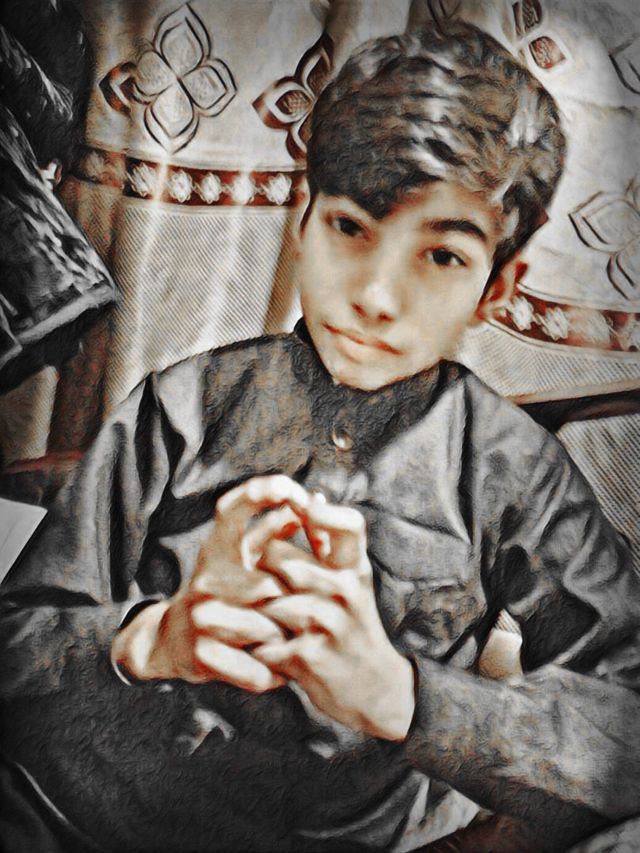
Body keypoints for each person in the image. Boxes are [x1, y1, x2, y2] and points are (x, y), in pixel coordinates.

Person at [1, 20, 639, 853]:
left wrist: (405, 696)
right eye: (351, 228)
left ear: (496, 286)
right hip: (72, 812)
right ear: (304, 225)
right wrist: (153, 637)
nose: (376, 295)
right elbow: (20, 638)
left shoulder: (514, 468)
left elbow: (627, 723)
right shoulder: (182, 405)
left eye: (441, 256)